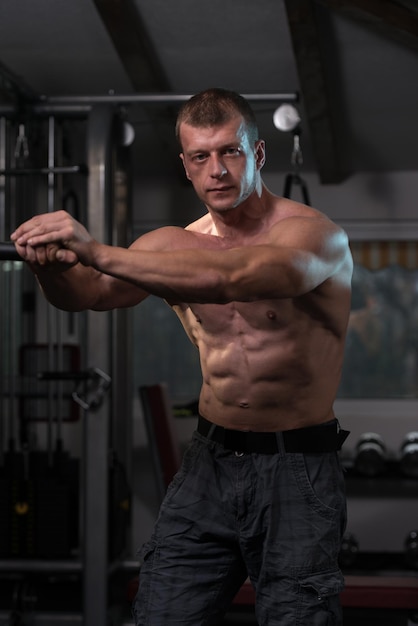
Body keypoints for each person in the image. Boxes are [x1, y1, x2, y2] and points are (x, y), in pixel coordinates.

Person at [11, 88, 353, 625]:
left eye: (230, 152)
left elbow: (233, 277)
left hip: (298, 467)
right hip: (209, 463)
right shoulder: (170, 245)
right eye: (201, 157)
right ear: (186, 167)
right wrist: (49, 265)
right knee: (162, 614)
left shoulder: (314, 235)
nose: (216, 170)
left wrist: (95, 250)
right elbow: (88, 296)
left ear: (258, 154)